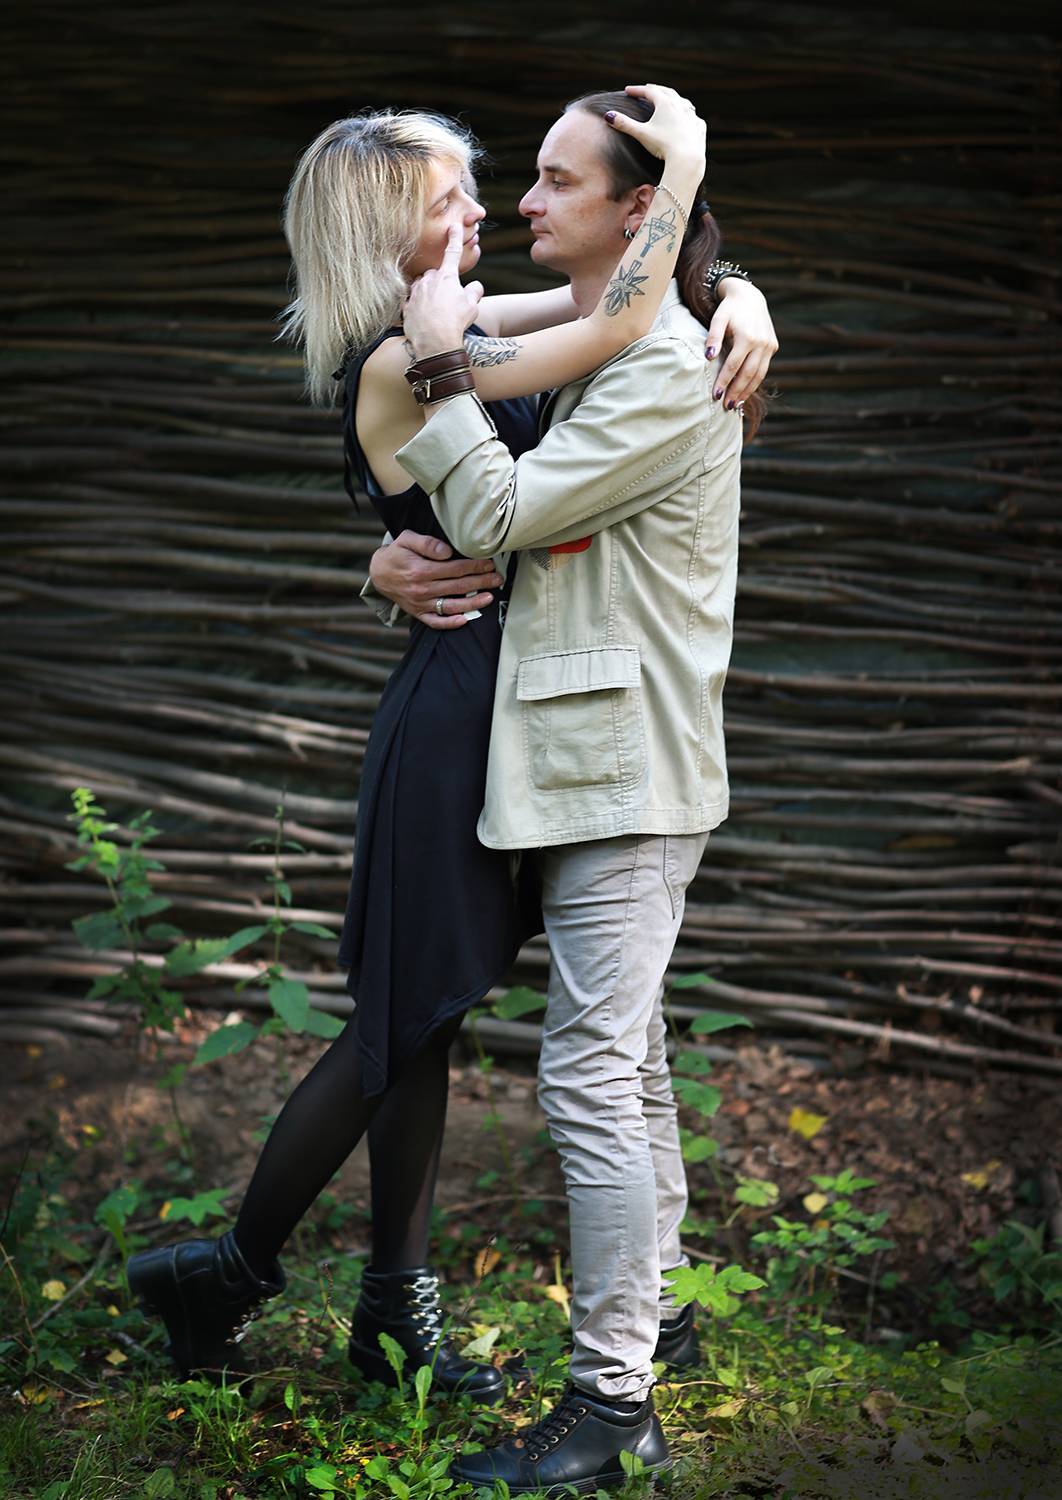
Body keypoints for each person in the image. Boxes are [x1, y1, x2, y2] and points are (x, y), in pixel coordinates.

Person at [125, 88, 769, 1403]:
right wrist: (690, 194)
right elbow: (610, 332)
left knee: (427, 1022)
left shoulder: (460, 327)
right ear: (386, 230)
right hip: (455, 723)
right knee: (402, 1022)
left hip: (510, 705)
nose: (488, 209)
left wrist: (740, 291)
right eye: (451, 197)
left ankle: (387, 1313)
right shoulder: (398, 356)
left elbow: (622, 313)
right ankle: (232, 1272)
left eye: (497, 184)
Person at [376, 85, 774, 1491]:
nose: (526, 202)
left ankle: (610, 1406)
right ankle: (656, 1324)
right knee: (632, 1062)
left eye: (556, 180)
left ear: (636, 207)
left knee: (589, 1076)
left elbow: (496, 512)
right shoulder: (616, 336)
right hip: (594, 763)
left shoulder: (662, 365)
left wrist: (439, 359)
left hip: (625, 770)